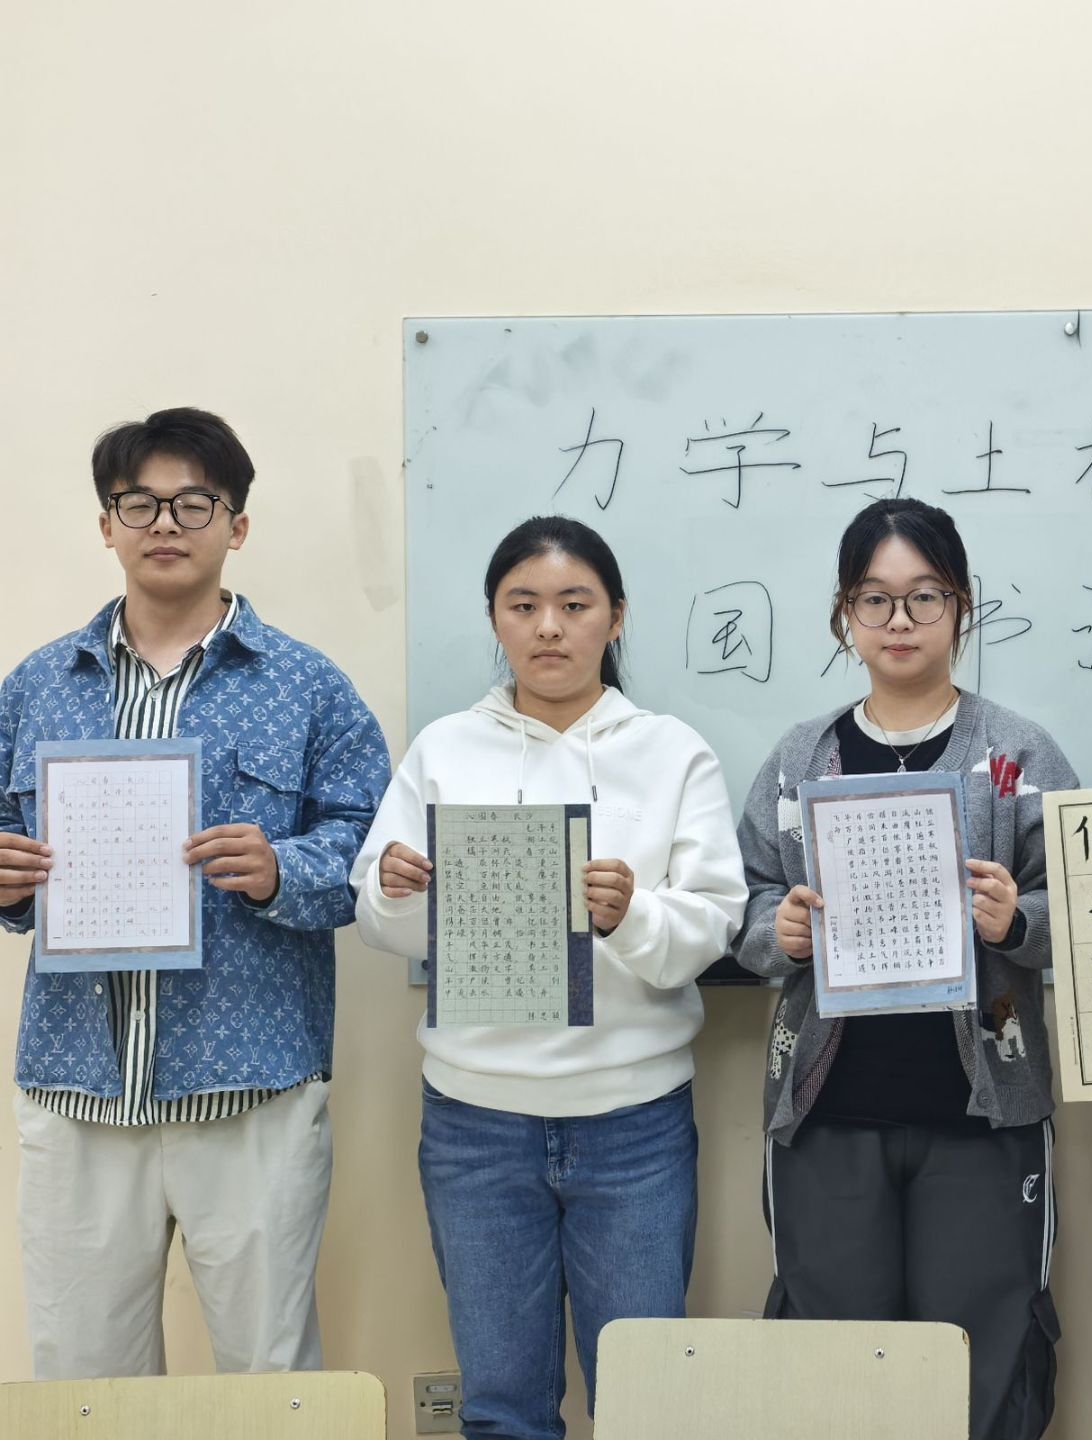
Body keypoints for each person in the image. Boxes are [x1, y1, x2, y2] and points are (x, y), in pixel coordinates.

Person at [0, 407, 389, 1376]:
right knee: (82, 1382)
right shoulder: (35, 686)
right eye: (139, 503)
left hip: (251, 1086)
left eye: (193, 503)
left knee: (270, 1375)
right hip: (79, 1084)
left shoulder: (308, 686)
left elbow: (370, 848)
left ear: (236, 525)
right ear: (106, 524)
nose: (165, 523)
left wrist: (281, 871)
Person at [351, 516, 744, 1438]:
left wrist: (630, 913)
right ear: (496, 619)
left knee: (645, 1405)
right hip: (475, 1122)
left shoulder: (672, 751)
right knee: (501, 1407)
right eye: (523, 606)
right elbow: (380, 916)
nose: (549, 628)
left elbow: (714, 923)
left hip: (634, 1121)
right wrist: (398, 890)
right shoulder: (445, 748)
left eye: (575, 604)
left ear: (617, 617)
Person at [733, 497, 1078, 1440]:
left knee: (980, 1356)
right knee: (836, 1369)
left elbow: (1088, 907)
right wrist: (779, 931)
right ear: (844, 612)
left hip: (982, 1114)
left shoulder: (1018, 754)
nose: (899, 621)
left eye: (924, 597)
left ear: (961, 606)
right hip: (828, 1115)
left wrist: (1018, 919)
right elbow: (748, 900)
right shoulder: (800, 758)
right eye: (874, 599)